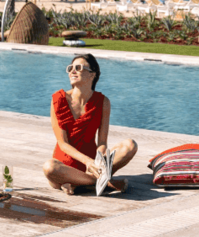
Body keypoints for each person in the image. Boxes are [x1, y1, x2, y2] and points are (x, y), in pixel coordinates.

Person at [45, 53, 138, 195]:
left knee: (130, 145)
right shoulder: (58, 99)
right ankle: (103, 182)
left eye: (78, 68)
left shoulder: (103, 102)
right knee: (49, 167)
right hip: (64, 167)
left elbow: (102, 142)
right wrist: (87, 161)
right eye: (70, 68)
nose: (72, 71)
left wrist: (99, 160)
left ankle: (84, 182)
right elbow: (63, 143)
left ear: (92, 75)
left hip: (93, 166)